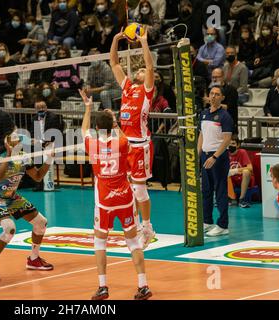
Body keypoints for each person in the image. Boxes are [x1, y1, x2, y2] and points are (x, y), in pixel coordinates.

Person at [79, 89, 152, 300]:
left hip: (104, 201)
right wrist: (116, 123)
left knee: (100, 242)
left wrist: (88, 108)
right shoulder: (121, 142)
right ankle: (143, 285)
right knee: (133, 243)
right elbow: (125, 140)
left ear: (96, 128)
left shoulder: (92, 144)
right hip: (125, 197)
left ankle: (103, 287)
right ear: (111, 126)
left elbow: (83, 129)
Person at [0, 128, 55, 282]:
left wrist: (49, 158)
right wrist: (8, 155)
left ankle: (34, 259)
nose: (17, 139)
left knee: (41, 222)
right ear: (8, 142)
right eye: (13, 137)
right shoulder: (1, 157)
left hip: (12, 198)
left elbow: (38, 177)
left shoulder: (24, 157)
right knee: (9, 228)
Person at [110, 28, 156, 248]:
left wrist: (144, 42)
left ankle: (147, 227)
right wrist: (115, 40)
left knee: (139, 189)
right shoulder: (127, 87)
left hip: (141, 146)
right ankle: (137, 227)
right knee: (129, 190)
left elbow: (149, 66)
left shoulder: (147, 90)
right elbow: (115, 65)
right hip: (125, 145)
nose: (138, 71)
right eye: (136, 71)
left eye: (140, 71)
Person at [198, 86, 233, 237]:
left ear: (222, 98)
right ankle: (207, 221)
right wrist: (198, 155)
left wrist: (214, 157)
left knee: (220, 190)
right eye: (211, 93)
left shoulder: (225, 116)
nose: (213, 96)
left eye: (217, 94)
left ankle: (223, 225)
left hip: (218, 158)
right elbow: (201, 136)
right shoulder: (204, 114)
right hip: (205, 156)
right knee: (206, 190)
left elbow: (227, 140)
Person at [208, 68, 239, 133]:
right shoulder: (210, 89)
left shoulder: (231, 90)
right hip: (213, 124)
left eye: (217, 77)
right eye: (213, 77)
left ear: (223, 77)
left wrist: (210, 101)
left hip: (228, 123)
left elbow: (229, 107)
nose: (214, 79)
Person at [228, 136, 254, 208]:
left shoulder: (242, 152)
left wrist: (235, 171)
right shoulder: (225, 153)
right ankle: (229, 198)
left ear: (238, 145)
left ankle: (241, 199)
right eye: (229, 144)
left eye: (233, 143)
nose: (231, 146)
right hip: (231, 180)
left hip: (242, 178)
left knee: (246, 172)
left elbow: (250, 168)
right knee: (222, 173)